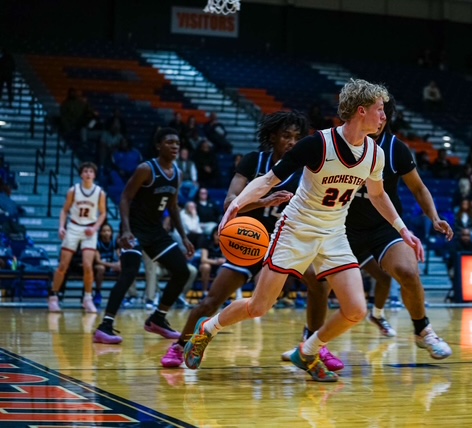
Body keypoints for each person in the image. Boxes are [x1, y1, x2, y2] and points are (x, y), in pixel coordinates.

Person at [183, 79, 424, 382]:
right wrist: (236, 205)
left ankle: (307, 351)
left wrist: (403, 230)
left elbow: (378, 195)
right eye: (380, 110)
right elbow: (269, 179)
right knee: (259, 307)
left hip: (334, 233)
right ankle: (208, 328)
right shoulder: (318, 144)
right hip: (296, 229)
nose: (385, 116)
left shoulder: (375, 154)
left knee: (356, 309)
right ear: (361, 111)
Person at [159, 111, 333, 368]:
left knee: (320, 282)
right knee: (211, 301)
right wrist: (263, 201)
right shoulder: (254, 162)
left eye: (297, 137)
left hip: (286, 242)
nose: (292, 142)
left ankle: (312, 345)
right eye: (286, 136)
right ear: (272, 137)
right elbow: (230, 202)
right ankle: (181, 344)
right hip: (249, 241)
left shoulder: (307, 170)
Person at [294, 95, 453, 360]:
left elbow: (418, 187)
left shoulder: (394, 149)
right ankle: (310, 342)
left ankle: (422, 330)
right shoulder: (332, 143)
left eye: (383, 112)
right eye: (376, 111)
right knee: (320, 283)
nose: (380, 118)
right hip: (341, 227)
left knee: (407, 270)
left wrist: (434, 217)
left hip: (383, 226)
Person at [92, 128, 195, 344]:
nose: (175, 146)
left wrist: (183, 237)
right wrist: (126, 230)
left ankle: (158, 318)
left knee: (182, 271)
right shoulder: (146, 169)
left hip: (155, 231)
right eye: (169, 142)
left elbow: (174, 207)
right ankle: (105, 326)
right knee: (129, 272)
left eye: (177, 142)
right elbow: (125, 198)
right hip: (134, 230)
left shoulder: (177, 173)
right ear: (158, 146)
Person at [48, 162, 107, 313]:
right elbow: (64, 210)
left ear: (94, 175)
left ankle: (87, 299)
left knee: (88, 265)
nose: (88, 174)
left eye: (91, 171)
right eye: (85, 171)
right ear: (81, 174)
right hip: (74, 227)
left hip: (89, 229)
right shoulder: (73, 190)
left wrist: (95, 228)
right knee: (63, 266)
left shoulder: (100, 192)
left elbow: (103, 213)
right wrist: (61, 227)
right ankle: (53, 297)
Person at [93, 222, 121, 308]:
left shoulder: (114, 243)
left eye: (108, 231)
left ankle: (119, 294)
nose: (106, 233)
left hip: (110, 265)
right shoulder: (96, 243)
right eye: (104, 231)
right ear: (100, 233)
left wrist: (120, 262)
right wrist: (112, 265)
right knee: (101, 268)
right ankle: (98, 293)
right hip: (99, 266)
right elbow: (97, 260)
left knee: (122, 268)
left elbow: (120, 255)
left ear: (111, 232)